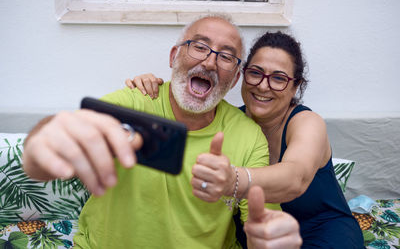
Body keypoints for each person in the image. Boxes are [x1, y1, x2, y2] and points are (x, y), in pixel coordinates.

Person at [22, 15, 302, 249]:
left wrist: (269, 238)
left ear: (235, 79)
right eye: (199, 46)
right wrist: (42, 143)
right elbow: (58, 148)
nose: (209, 62)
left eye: (226, 56)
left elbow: (261, 220)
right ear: (174, 56)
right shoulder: (133, 102)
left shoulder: (249, 136)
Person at [125, 31, 365, 248]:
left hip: (321, 233)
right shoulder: (230, 121)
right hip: (252, 235)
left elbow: (296, 178)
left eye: (279, 78)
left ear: (295, 87)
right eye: (255, 73)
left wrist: (233, 181)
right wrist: (149, 87)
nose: (263, 86)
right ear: (241, 76)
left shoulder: (306, 122)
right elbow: (186, 106)